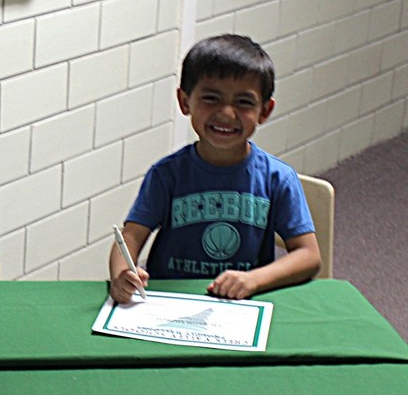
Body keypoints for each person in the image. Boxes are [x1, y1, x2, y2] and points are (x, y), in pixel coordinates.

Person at [109, 34, 321, 303]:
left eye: (244, 102)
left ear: (265, 111)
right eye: (211, 98)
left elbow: (309, 256)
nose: (226, 113)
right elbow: (128, 237)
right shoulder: (166, 174)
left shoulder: (278, 178)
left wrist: (253, 279)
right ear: (185, 102)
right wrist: (122, 274)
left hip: (244, 304)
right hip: (168, 304)